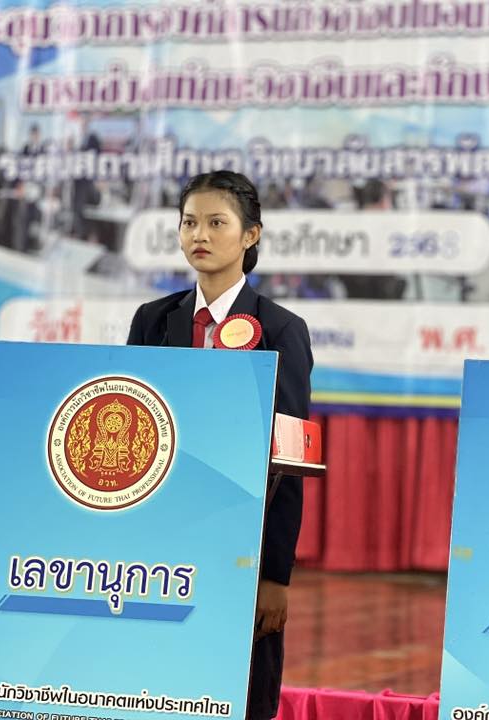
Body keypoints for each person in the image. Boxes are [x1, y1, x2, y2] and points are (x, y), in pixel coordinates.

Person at [127, 170, 312, 719]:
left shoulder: (280, 328)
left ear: (251, 234)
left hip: (239, 544)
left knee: (236, 689)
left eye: (216, 222)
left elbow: (289, 459)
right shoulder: (152, 320)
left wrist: (275, 575)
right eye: (189, 223)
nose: (199, 235)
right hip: (160, 545)